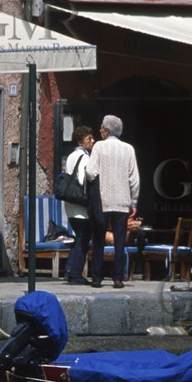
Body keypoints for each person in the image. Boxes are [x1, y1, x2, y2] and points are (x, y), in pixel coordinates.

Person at [88, 114, 140, 289]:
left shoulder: (98, 147)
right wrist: (134, 201)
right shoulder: (129, 149)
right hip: (122, 202)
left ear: (107, 130)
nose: (100, 130)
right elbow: (134, 178)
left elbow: (90, 172)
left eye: (102, 128)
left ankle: (97, 278)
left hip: (103, 201)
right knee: (120, 241)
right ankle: (118, 278)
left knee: (98, 240)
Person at [61, 126, 97, 285]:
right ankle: (75, 274)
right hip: (81, 207)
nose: (93, 141)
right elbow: (83, 179)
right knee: (84, 238)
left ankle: (70, 270)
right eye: (89, 138)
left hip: (70, 206)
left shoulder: (71, 156)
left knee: (80, 237)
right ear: (80, 141)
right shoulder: (85, 157)